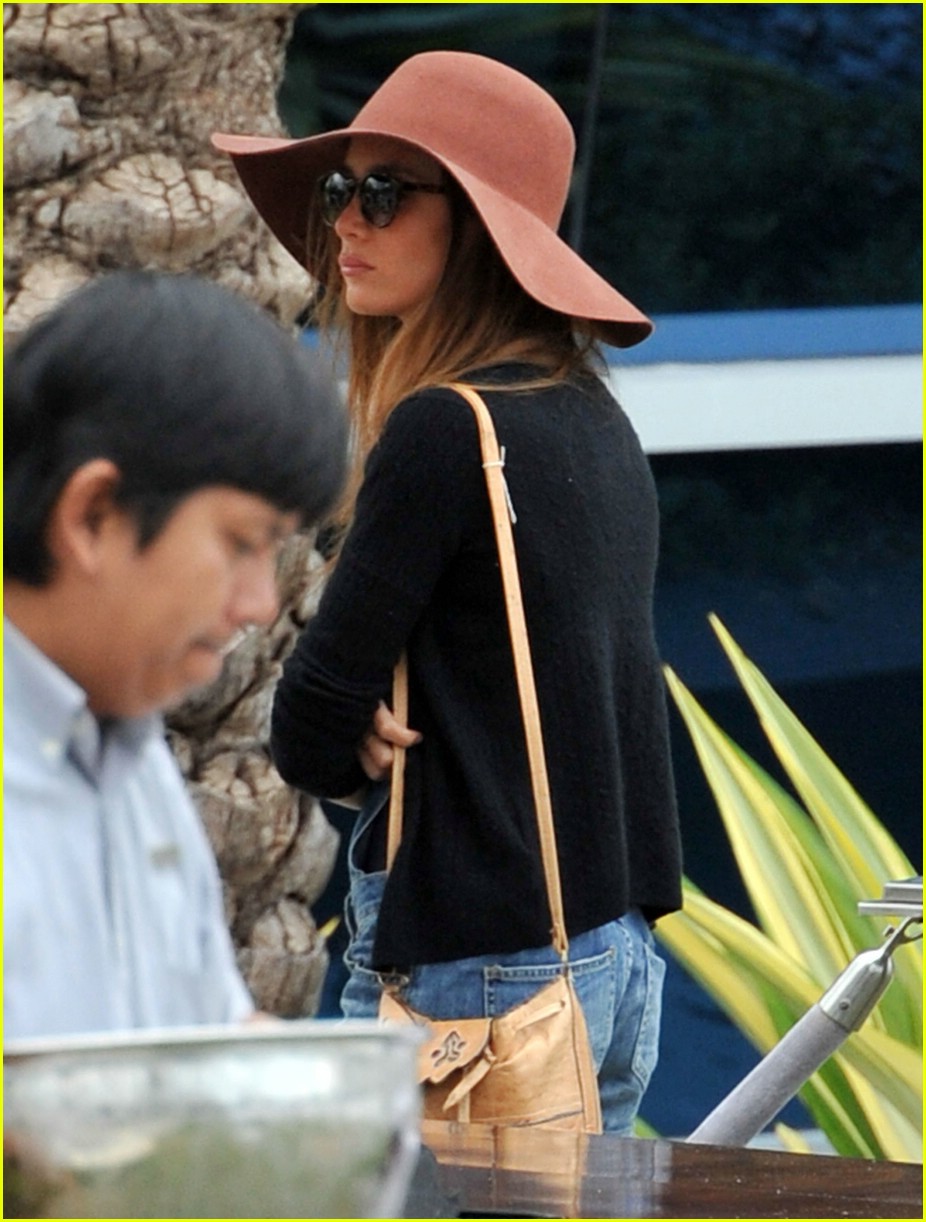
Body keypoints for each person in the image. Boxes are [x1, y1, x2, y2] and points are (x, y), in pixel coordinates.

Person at [213, 50, 683, 1133]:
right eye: (339, 190)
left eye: (383, 191)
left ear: (473, 224)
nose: (346, 223)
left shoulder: (440, 429)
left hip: (477, 983)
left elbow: (310, 729)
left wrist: (356, 718)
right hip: (605, 958)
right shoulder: (590, 416)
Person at [3, 270, 347, 1040]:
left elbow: (202, 1037)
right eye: (241, 544)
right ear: (93, 515)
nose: (260, 604)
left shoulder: (132, 758)